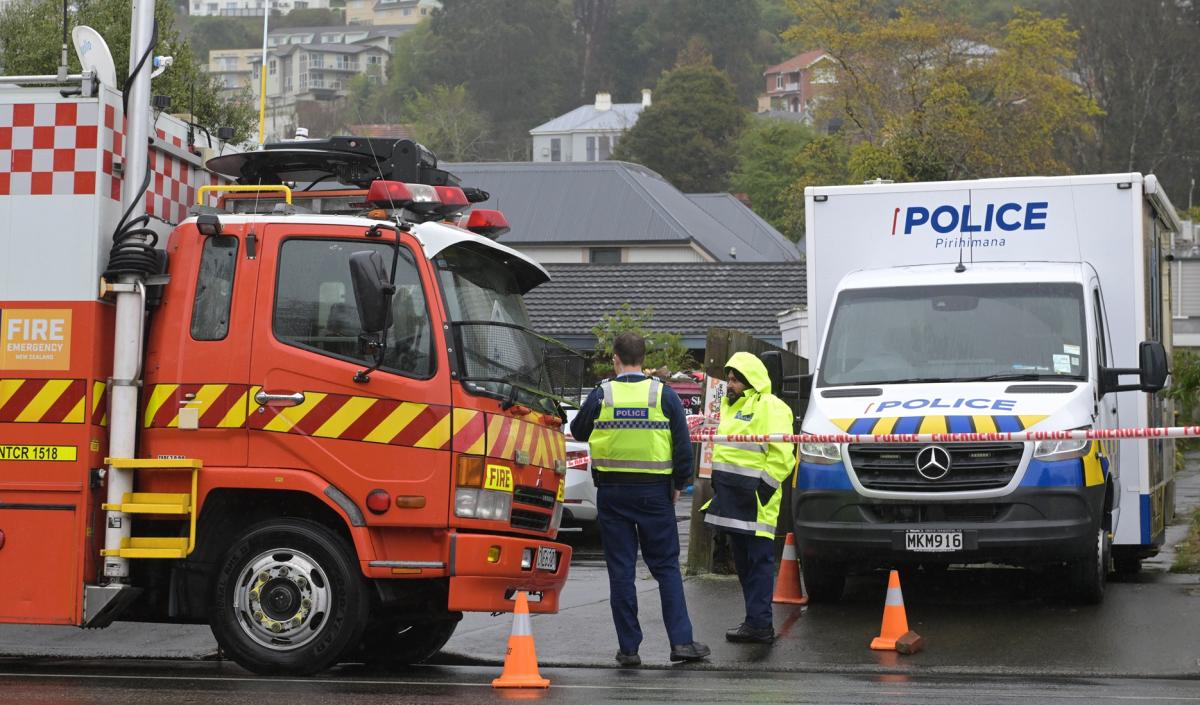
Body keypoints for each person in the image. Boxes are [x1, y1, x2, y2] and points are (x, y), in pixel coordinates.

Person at [570, 332, 710, 667]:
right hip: (654, 493)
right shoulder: (663, 394)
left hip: (613, 494)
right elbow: (682, 445)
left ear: (615, 358)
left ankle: (629, 649)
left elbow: (578, 431)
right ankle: (681, 643)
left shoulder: (602, 393)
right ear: (643, 359)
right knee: (665, 569)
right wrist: (678, 483)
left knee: (621, 571)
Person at [702, 352, 796, 644]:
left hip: (756, 502)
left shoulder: (772, 407)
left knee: (758, 563)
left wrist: (763, 491)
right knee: (743, 564)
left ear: (750, 381)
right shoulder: (731, 407)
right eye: (728, 379)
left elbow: (783, 455)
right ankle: (754, 621)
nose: (729, 385)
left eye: (734, 380)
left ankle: (760, 625)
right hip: (732, 500)